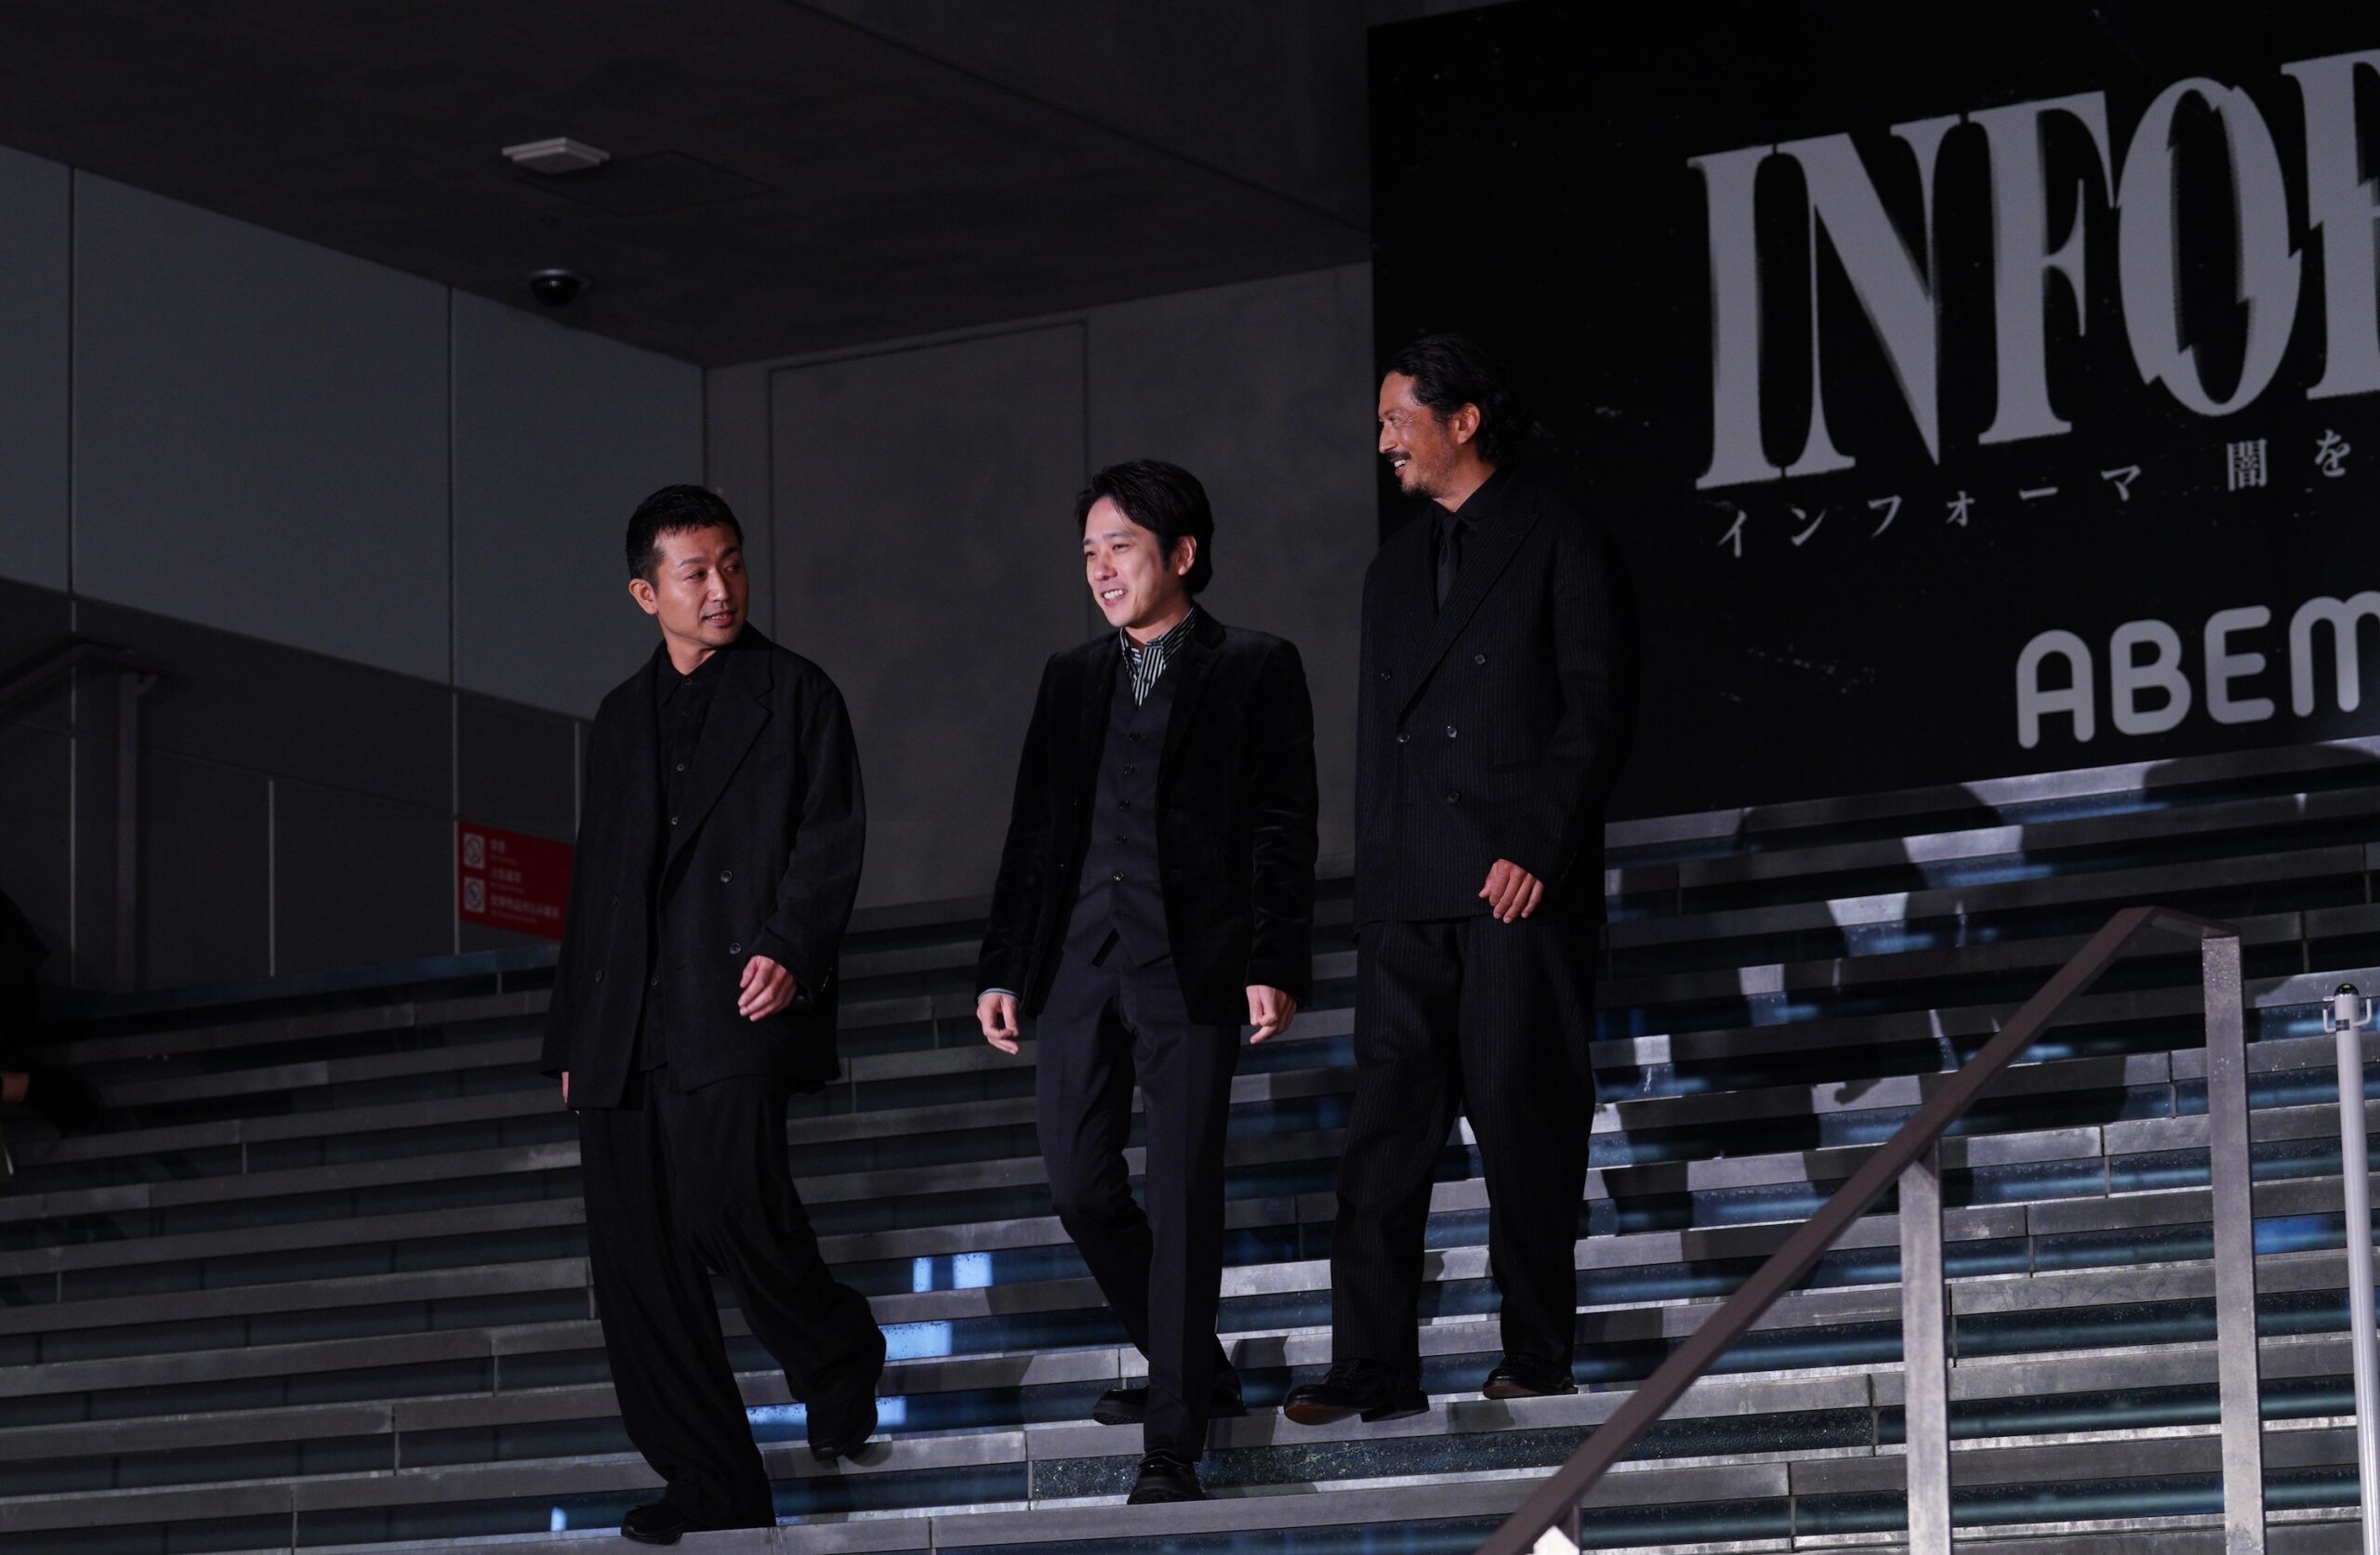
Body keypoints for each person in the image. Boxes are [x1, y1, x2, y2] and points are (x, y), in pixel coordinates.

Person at [1284, 334, 1637, 1426]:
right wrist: (1373, 888)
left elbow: (1596, 707)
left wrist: (1537, 844)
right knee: (1381, 1136)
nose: (1383, 440)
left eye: (1398, 418)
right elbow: (1376, 742)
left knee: (1523, 1120)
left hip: (1510, 884)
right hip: (1406, 895)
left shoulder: (1557, 535)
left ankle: (1534, 1347)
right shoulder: (1390, 568)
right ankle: (1372, 1363)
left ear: (1463, 419)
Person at [541, 485, 882, 1547]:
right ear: (646, 593)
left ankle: (835, 1349)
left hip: (731, 991)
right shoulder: (618, 716)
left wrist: (791, 944)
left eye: (731, 562)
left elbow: (830, 835)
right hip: (622, 1021)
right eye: (696, 572)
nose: (722, 586)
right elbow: (596, 879)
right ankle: (709, 1478)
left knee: (731, 1198)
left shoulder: (797, 692)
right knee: (638, 1262)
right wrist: (572, 1033)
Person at [977, 459, 1318, 1503]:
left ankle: (1172, 1438)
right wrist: (1005, 966)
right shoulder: (1069, 676)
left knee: (1180, 1195)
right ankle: (1195, 1368)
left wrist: (1273, 961)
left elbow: (1282, 827)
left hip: (1194, 966)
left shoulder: (1256, 666)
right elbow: (1034, 831)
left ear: (1182, 553)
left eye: (1119, 546)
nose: (1100, 569)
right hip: (1081, 963)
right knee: (1080, 1187)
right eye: (1088, 552)